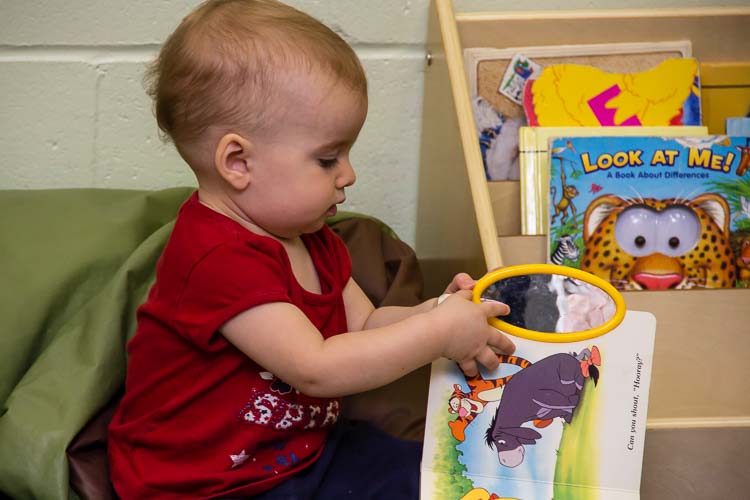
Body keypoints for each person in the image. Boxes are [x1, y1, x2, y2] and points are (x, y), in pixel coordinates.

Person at [107, 1, 515, 498]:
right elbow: (317, 368)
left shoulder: (312, 238)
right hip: (207, 484)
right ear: (238, 161)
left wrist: (438, 311)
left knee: (437, 475)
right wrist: (436, 335)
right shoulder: (216, 259)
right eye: (327, 159)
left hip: (300, 450)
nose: (348, 175)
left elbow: (364, 327)